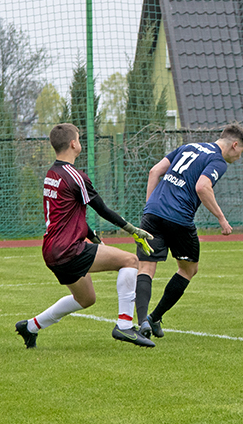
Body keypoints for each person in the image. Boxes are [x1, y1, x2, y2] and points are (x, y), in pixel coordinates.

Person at [15, 123, 155, 349]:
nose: (79, 141)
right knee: (130, 261)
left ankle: (30, 327)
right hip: (69, 250)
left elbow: (72, 215)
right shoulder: (75, 176)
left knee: (86, 299)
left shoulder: (52, 174)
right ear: (73, 143)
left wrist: (94, 238)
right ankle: (125, 326)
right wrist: (133, 230)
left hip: (51, 251)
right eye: (79, 138)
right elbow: (102, 209)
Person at [135, 124, 243, 339]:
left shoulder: (188, 146)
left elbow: (154, 172)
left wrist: (149, 208)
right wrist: (221, 218)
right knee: (188, 269)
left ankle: (142, 322)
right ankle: (154, 317)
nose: (238, 158)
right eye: (240, 152)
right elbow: (202, 187)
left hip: (152, 214)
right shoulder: (217, 160)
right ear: (234, 145)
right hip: (179, 219)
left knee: (145, 268)